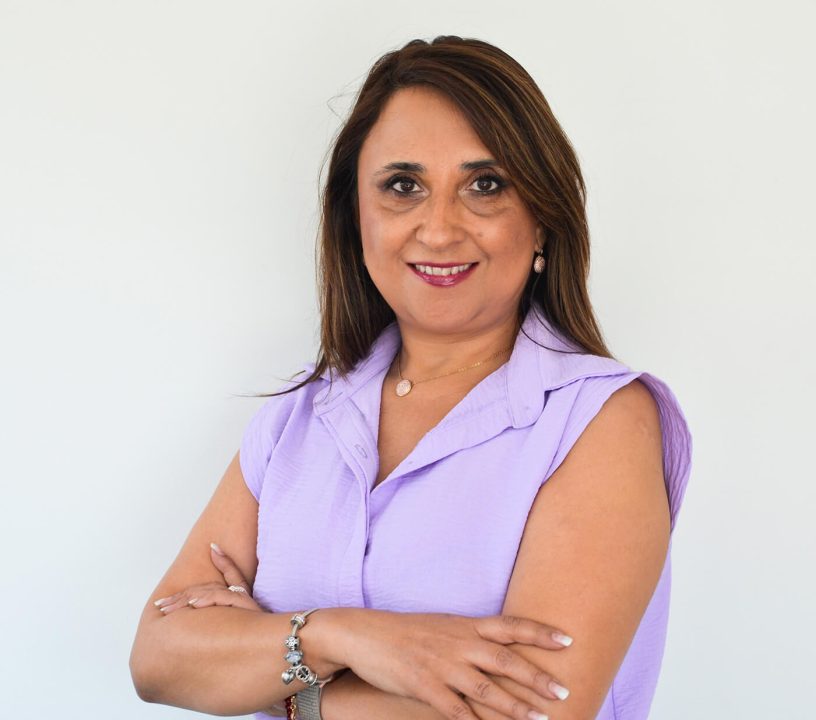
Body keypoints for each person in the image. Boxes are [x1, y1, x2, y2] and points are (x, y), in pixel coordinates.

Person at [129, 35, 693, 720]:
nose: (440, 229)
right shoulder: (298, 418)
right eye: (403, 187)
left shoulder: (601, 420)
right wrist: (342, 637)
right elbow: (158, 659)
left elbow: (529, 712)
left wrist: (279, 681)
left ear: (543, 219)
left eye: (485, 185)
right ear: (355, 217)